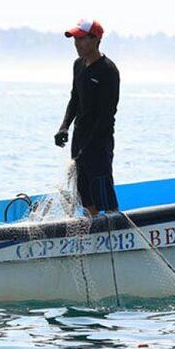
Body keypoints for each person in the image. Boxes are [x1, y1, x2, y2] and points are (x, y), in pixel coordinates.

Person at [54, 19, 120, 215]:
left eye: (82, 39)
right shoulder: (78, 65)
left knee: (104, 194)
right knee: (84, 191)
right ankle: (91, 229)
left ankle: (112, 226)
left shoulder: (108, 71)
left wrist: (89, 146)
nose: (77, 44)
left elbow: (107, 115)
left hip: (99, 142)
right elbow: (75, 98)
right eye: (75, 39)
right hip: (79, 138)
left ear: (96, 39)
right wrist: (64, 126)